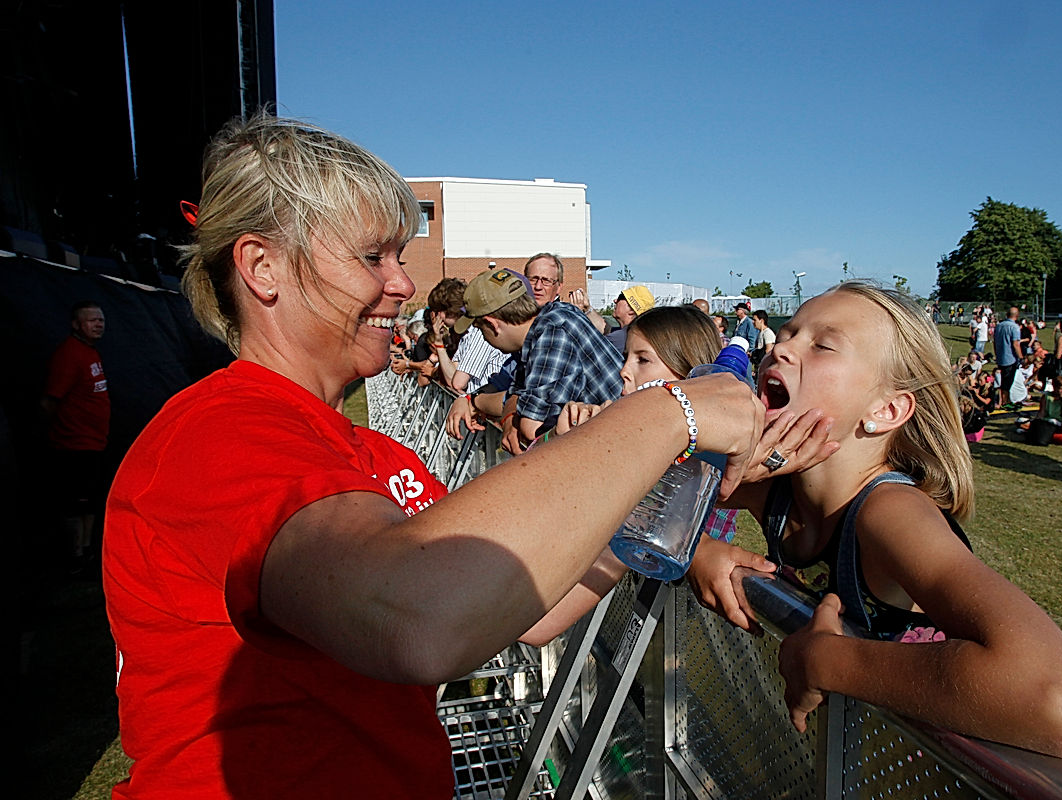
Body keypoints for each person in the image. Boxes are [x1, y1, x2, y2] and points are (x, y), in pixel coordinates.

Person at [101, 114, 766, 799]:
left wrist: (650, 532)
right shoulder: (219, 435)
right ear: (262, 267)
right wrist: (667, 413)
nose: (402, 285)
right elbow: (420, 619)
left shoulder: (369, 453)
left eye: (398, 256)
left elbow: (518, 607)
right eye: (372, 257)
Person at [687, 280, 1062, 761]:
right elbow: (623, 479)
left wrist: (828, 660)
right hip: (833, 761)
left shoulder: (889, 511)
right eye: (786, 334)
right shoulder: (775, 486)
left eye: (822, 344)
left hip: (910, 767)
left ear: (885, 410)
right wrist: (694, 550)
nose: (780, 349)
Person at [526, 305, 838, 645]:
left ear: (694, 380)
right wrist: (573, 440)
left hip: (663, 625)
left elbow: (537, 619)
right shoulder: (619, 428)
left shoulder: (722, 469)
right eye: (626, 357)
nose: (623, 372)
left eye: (643, 360)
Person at [451, 267, 624, 452]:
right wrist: (471, 400)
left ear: (492, 325)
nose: (484, 338)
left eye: (480, 329)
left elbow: (531, 428)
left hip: (626, 450)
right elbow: (518, 393)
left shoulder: (552, 333)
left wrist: (488, 406)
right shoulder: (554, 316)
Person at [43, 300, 111, 572]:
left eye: (101, 320)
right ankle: (75, 557)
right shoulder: (69, 355)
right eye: (92, 320)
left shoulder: (89, 352)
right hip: (74, 445)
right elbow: (49, 401)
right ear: (76, 324)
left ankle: (85, 553)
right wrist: (52, 433)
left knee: (90, 502)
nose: (99, 324)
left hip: (94, 443)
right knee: (76, 504)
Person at [993, 307, 1022, 406]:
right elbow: (1015, 344)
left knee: (1003, 380)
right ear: (1017, 315)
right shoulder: (1014, 327)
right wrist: (1021, 357)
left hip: (1000, 356)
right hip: (1010, 358)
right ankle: (1005, 401)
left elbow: (995, 342)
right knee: (1008, 382)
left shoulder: (999, 326)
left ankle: (1004, 399)